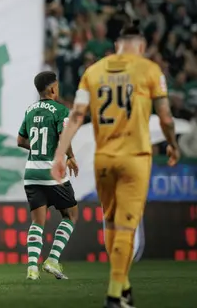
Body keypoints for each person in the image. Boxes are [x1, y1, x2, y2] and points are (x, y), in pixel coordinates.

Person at [51, 21, 181, 308]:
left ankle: (125, 289)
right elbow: (166, 117)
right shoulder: (149, 70)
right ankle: (114, 294)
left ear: (117, 45)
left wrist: (60, 154)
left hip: (104, 159)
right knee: (126, 227)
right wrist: (172, 143)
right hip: (135, 158)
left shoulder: (93, 72)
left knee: (110, 224)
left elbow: (76, 117)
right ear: (142, 46)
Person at [17, 71, 79, 281]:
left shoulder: (30, 110)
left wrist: (37, 148)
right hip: (52, 171)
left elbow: (20, 140)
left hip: (31, 172)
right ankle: (52, 260)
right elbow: (64, 136)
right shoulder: (60, 110)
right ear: (53, 88)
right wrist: (70, 156)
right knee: (71, 214)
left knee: (37, 222)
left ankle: (32, 268)